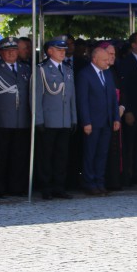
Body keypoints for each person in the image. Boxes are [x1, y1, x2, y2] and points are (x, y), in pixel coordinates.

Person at [0, 36, 32, 198]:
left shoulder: (25, 69)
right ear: (1, 53)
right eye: (7, 51)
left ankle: (17, 187)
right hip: (3, 118)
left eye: (14, 50)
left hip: (22, 119)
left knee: (19, 155)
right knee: (1, 155)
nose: (11, 53)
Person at [76, 44, 121, 196]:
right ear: (94, 59)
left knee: (102, 154)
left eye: (108, 60)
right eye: (104, 60)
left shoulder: (107, 74)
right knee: (90, 153)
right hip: (93, 122)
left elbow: (113, 99)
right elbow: (82, 101)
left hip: (107, 121)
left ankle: (100, 182)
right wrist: (86, 121)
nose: (107, 63)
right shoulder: (85, 74)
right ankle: (89, 183)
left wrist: (116, 118)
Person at [35, 37, 76, 200]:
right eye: (59, 50)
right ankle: (46, 187)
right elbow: (37, 97)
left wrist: (74, 118)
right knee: (46, 156)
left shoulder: (67, 69)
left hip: (64, 119)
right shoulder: (41, 69)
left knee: (61, 156)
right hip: (49, 119)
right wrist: (38, 119)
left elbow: (72, 96)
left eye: (64, 50)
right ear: (49, 51)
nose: (62, 53)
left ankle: (59, 186)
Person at [117, 32, 137, 186]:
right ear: (133, 45)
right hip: (132, 109)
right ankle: (127, 175)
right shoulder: (126, 62)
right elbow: (125, 88)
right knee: (129, 144)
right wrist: (127, 110)